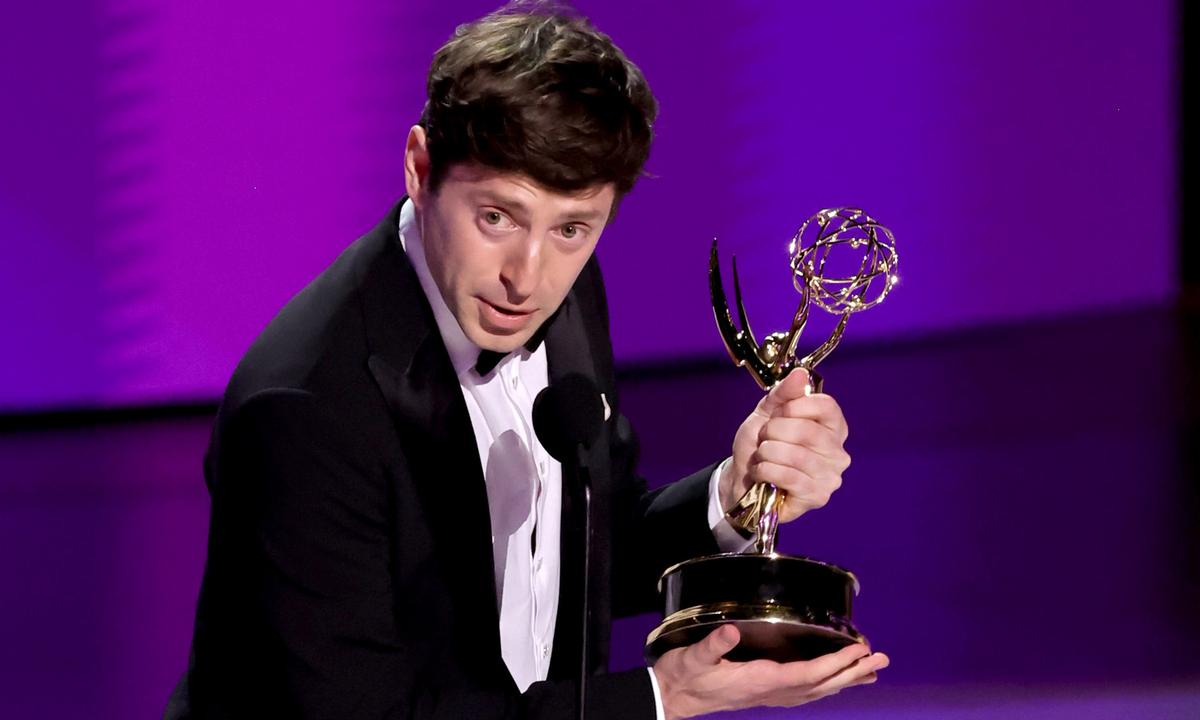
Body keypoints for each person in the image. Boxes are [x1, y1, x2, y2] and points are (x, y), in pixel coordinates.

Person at [164, 4, 887, 719]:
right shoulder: (307, 407)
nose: (527, 276)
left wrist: (732, 496)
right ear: (420, 169)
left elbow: (582, 552)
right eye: (496, 218)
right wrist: (656, 701)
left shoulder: (564, 291)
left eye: (573, 228)